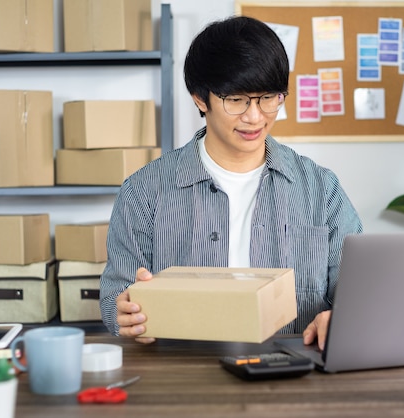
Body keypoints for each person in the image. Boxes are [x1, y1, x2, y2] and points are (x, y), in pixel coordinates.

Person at [99, 15, 362, 350]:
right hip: (185, 373)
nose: (255, 116)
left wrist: (341, 316)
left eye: (269, 98)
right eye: (236, 100)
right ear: (199, 98)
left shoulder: (321, 189)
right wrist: (125, 313)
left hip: (293, 373)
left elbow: (361, 294)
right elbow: (113, 300)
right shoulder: (144, 192)